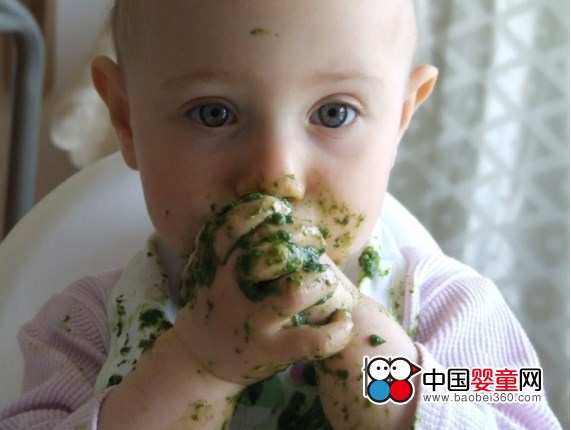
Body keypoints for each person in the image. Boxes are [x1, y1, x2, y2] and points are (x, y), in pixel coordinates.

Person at [0, 1, 562, 429]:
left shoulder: (455, 313)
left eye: (334, 113)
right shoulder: (79, 332)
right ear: (126, 119)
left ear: (399, 119)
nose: (275, 175)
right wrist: (194, 367)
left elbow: (516, 399)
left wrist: (388, 380)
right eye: (213, 113)